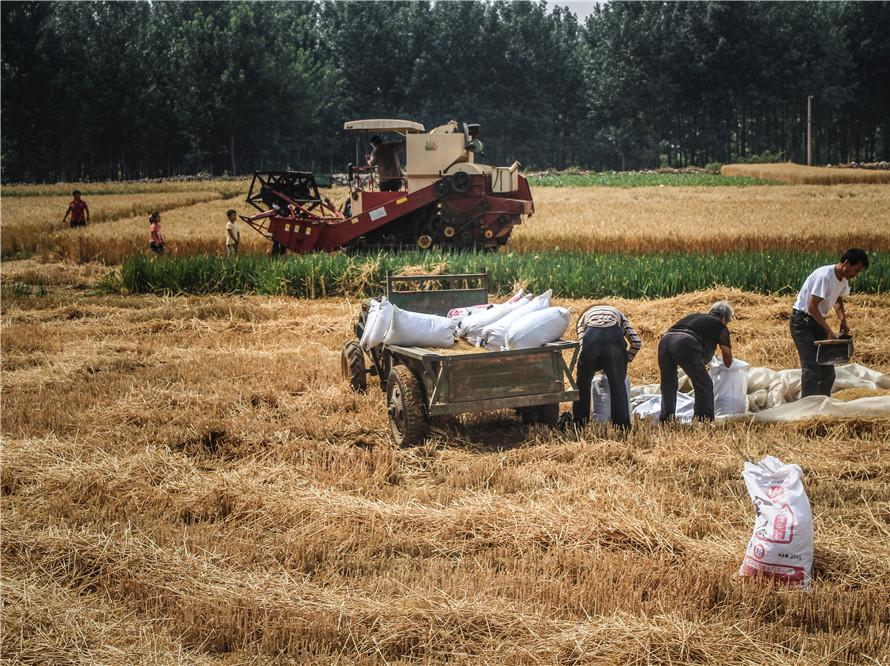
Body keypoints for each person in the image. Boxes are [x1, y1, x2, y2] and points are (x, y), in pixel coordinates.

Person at [791, 248, 869, 397]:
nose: (856, 274)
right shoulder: (825, 276)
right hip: (802, 322)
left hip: (817, 322)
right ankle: (809, 408)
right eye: (856, 270)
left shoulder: (843, 280)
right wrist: (828, 331)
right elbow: (812, 306)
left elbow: (838, 299)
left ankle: (822, 404)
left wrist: (842, 320)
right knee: (811, 368)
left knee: (828, 371)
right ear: (846, 263)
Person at [658, 301, 734, 422]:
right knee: (704, 383)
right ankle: (703, 421)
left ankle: (667, 418)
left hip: (665, 340)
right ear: (724, 317)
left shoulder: (696, 317)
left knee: (668, 383)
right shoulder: (720, 325)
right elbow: (727, 359)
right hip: (685, 342)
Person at [572, 304, 642, 428]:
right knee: (618, 386)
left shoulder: (582, 320)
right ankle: (622, 428)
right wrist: (623, 361)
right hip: (613, 342)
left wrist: (589, 367)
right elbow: (636, 342)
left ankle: (579, 425)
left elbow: (583, 347)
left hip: (591, 343)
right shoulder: (618, 313)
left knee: (582, 386)